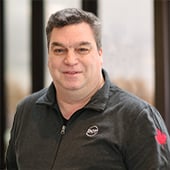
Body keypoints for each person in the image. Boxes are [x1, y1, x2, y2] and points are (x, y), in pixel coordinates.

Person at [6, 8, 170, 170]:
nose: (70, 60)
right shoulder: (26, 111)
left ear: (100, 54)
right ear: (49, 56)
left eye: (82, 49)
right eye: (59, 50)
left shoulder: (138, 118)